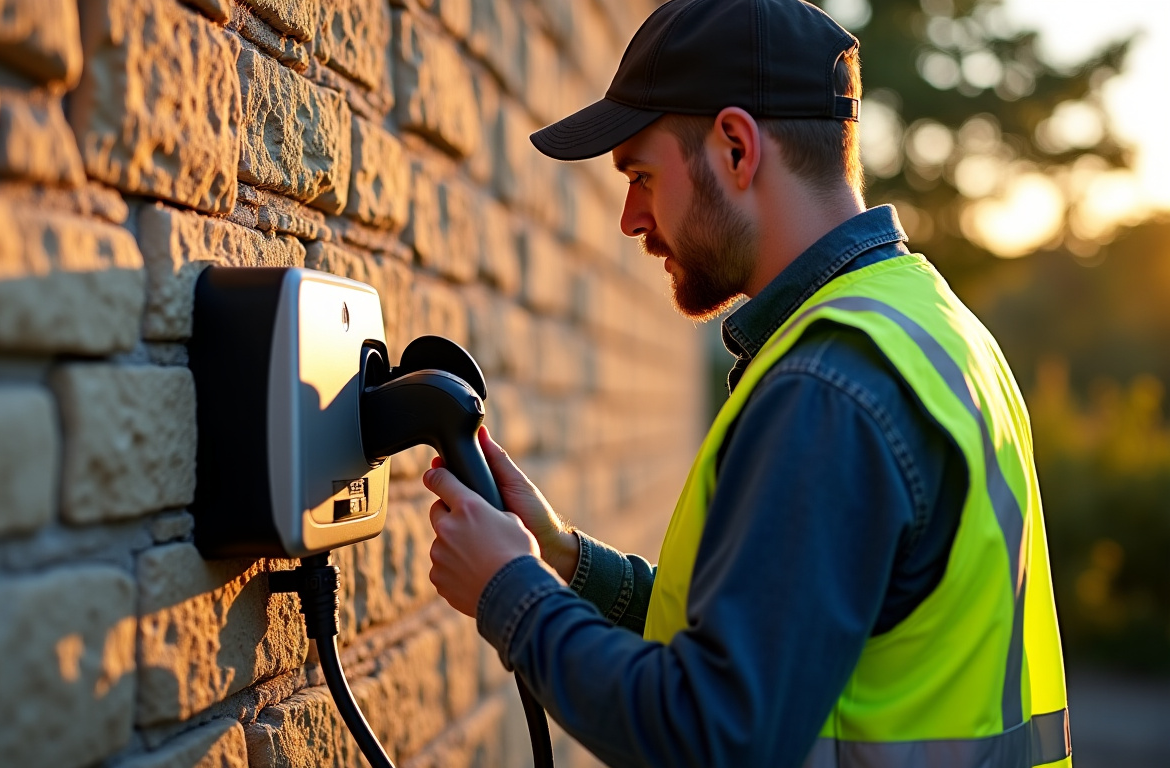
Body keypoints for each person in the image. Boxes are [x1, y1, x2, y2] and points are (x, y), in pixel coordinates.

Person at [421, 1, 1071, 766]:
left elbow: (713, 734)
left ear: (735, 147)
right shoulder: (931, 328)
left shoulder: (831, 387)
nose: (631, 219)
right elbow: (792, 631)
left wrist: (510, 591)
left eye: (641, 174)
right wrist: (566, 561)